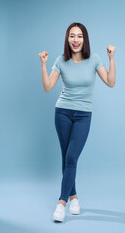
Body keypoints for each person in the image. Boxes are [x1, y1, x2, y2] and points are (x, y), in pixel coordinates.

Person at [38, 22, 116, 222]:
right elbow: (48, 87)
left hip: (83, 115)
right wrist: (43, 64)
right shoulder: (61, 60)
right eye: (72, 36)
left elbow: (110, 81)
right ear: (68, 39)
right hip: (62, 113)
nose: (75, 40)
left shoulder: (94, 59)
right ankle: (73, 198)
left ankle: (61, 203)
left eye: (79, 36)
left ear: (85, 39)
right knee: (67, 158)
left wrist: (111, 58)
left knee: (71, 157)